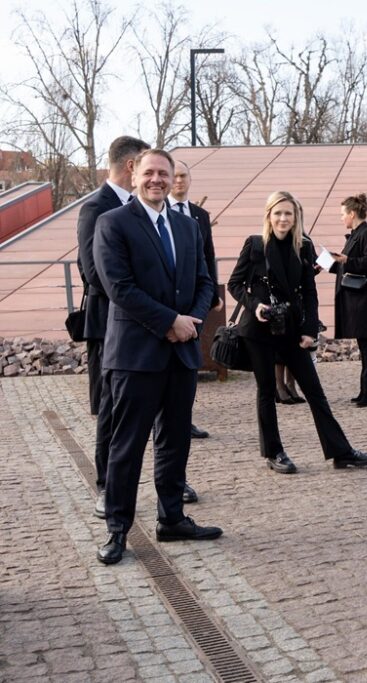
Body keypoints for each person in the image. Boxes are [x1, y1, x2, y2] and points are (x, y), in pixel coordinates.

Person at [93, 149, 221, 565]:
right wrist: (170, 321)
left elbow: (205, 281)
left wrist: (193, 320)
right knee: (126, 447)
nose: (156, 180)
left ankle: (172, 518)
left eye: (163, 174)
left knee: (174, 441)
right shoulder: (112, 223)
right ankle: (117, 529)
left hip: (180, 355)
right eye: (149, 173)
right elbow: (119, 287)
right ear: (134, 176)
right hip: (136, 356)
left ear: (172, 179)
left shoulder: (187, 226)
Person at [227, 191, 367, 474]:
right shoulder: (255, 244)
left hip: (292, 329)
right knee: (267, 391)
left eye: (289, 214)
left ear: (296, 218)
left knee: (315, 391)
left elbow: (309, 292)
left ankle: (341, 452)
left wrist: (310, 330)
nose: (283, 218)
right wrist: (255, 304)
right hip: (258, 329)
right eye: (278, 213)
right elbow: (235, 284)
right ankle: (274, 452)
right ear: (269, 216)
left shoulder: (303, 246)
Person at [77, 136, 150, 519]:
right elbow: (94, 273)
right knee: (111, 406)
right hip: (111, 325)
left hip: (139, 324)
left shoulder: (137, 208)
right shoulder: (96, 208)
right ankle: (108, 484)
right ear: (130, 167)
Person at [169, 160, 213, 504]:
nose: (178, 182)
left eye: (183, 176)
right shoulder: (141, 218)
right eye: (175, 176)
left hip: (193, 315)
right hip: (159, 323)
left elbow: (205, 260)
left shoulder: (198, 215)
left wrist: (206, 302)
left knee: (184, 386)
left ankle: (186, 421)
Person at [330, 194, 367, 407]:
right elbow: (349, 265)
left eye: (342, 214)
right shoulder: (358, 234)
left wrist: (347, 260)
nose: (341, 218)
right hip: (360, 301)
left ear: (352, 214)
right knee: (365, 347)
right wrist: (329, 264)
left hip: (364, 302)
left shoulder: (366, 234)